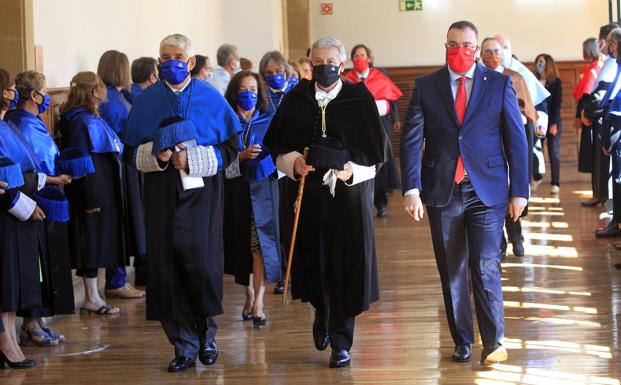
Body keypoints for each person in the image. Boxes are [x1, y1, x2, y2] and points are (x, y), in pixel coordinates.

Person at [401, 21, 529, 366]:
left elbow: (517, 140)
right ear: (445, 46)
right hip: (443, 189)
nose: (461, 50)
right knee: (452, 268)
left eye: (468, 44)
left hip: (486, 190)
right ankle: (462, 340)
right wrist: (410, 188)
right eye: (454, 44)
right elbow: (412, 140)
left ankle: (493, 341)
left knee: (485, 264)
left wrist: (520, 190)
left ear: (477, 48)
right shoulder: (426, 86)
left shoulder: (499, 84)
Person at [264, 37, 387, 368]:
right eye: (317, 61)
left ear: (342, 64)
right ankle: (322, 315)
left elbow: (376, 156)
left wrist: (350, 172)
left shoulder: (359, 99)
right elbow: (278, 147)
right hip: (310, 200)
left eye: (331, 60)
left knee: (346, 266)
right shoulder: (296, 100)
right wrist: (293, 163)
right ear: (310, 62)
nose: (324, 66)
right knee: (316, 264)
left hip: (349, 198)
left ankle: (342, 341)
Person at [124, 34, 241, 372]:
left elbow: (231, 148)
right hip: (161, 195)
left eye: (177, 56)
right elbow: (129, 152)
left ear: (190, 62)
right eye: (164, 56)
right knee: (166, 267)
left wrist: (194, 159)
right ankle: (183, 345)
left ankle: (206, 335)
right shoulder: (147, 101)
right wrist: (156, 156)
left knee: (201, 263)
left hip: (202, 193)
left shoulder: (211, 97)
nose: (170, 62)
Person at [5, 71, 75, 346]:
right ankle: (31, 323)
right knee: (36, 266)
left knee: (44, 264)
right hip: (30, 195)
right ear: (34, 95)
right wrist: (54, 179)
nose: (47, 97)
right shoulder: (19, 121)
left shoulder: (24, 121)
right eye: (44, 91)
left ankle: (38, 320)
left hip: (41, 190)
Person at [59, 71, 127, 317]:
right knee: (90, 243)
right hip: (91, 190)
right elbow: (82, 161)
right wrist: (91, 197)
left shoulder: (87, 116)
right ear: (94, 91)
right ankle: (91, 297)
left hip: (101, 186)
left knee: (98, 242)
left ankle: (94, 295)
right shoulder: (79, 121)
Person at [223, 71, 281, 329]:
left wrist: (267, 162)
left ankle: (258, 302)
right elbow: (218, 161)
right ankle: (247, 294)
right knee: (241, 247)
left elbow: (281, 155)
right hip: (235, 191)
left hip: (264, 191)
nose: (249, 94)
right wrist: (241, 158)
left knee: (260, 248)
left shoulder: (270, 120)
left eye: (254, 90)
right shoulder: (225, 122)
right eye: (244, 89)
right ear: (235, 92)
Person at [480, 37, 537, 258]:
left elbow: (527, 111)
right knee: (494, 195)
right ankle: (500, 242)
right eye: (487, 52)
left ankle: (516, 236)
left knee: (513, 191)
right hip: (488, 146)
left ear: (503, 54)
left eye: (497, 51)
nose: (492, 56)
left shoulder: (514, 77)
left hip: (509, 142)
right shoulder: (477, 79)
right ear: (481, 55)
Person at [97, 50, 146, 298]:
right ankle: (116, 279)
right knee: (121, 220)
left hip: (123, 161)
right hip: (120, 164)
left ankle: (118, 278)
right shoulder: (112, 101)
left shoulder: (115, 96)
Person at [0, 68, 39, 369]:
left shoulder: (6, 123)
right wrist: (19, 203)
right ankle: (5, 341)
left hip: (15, 209)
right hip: (5, 210)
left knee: (12, 280)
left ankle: (10, 337)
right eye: (11, 87)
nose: (14, 92)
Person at [345, 43, 403, 217]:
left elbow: (391, 99)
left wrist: (396, 119)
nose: (359, 59)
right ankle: (361, 203)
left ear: (369, 59)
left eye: (362, 55)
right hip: (357, 128)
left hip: (380, 125)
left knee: (380, 163)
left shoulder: (380, 76)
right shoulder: (348, 79)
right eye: (356, 56)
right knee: (360, 162)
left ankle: (381, 203)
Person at [259, 50, 298, 296]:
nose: (275, 76)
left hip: (296, 164)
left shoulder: (298, 93)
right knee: (280, 221)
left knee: (297, 220)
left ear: (286, 71)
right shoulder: (262, 98)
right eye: (269, 73)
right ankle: (284, 272)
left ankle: (298, 269)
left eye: (279, 71)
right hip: (271, 167)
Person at [581, 23, 619, 209]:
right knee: (599, 161)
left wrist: (588, 112)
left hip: (606, 119)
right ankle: (600, 194)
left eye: (603, 42)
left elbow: (602, 94)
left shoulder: (613, 64)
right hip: (600, 118)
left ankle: (604, 197)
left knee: (605, 162)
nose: (602, 46)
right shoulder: (610, 62)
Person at [533, 54, 563, 194]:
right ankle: (536, 176)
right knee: (535, 149)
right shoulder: (535, 80)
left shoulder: (556, 82)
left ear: (548, 64)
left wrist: (554, 123)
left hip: (552, 122)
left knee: (553, 153)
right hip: (538, 121)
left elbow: (557, 105)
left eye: (541, 62)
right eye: (537, 61)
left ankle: (555, 183)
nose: (538, 64)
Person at [574, 38, 603, 178]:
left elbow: (588, 96)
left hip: (590, 117)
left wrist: (580, 116)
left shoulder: (595, 69)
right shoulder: (591, 68)